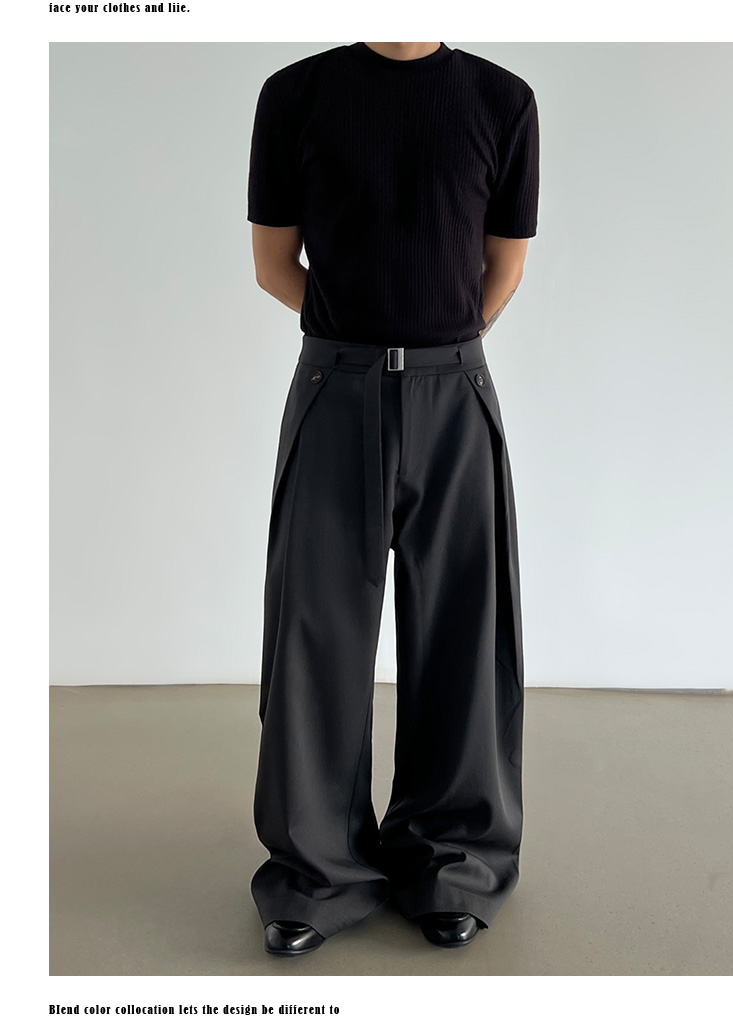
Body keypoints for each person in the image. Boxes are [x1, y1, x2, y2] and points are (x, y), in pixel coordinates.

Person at [246, 41, 539, 956]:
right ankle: (316, 872)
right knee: (314, 630)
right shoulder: (295, 95)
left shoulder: (502, 100)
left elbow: (504, 266)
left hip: (456, 392)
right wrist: (365, 343)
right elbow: (273, 264)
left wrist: (434, 345)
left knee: (463, 629)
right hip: (335, 387)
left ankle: (452, 859)